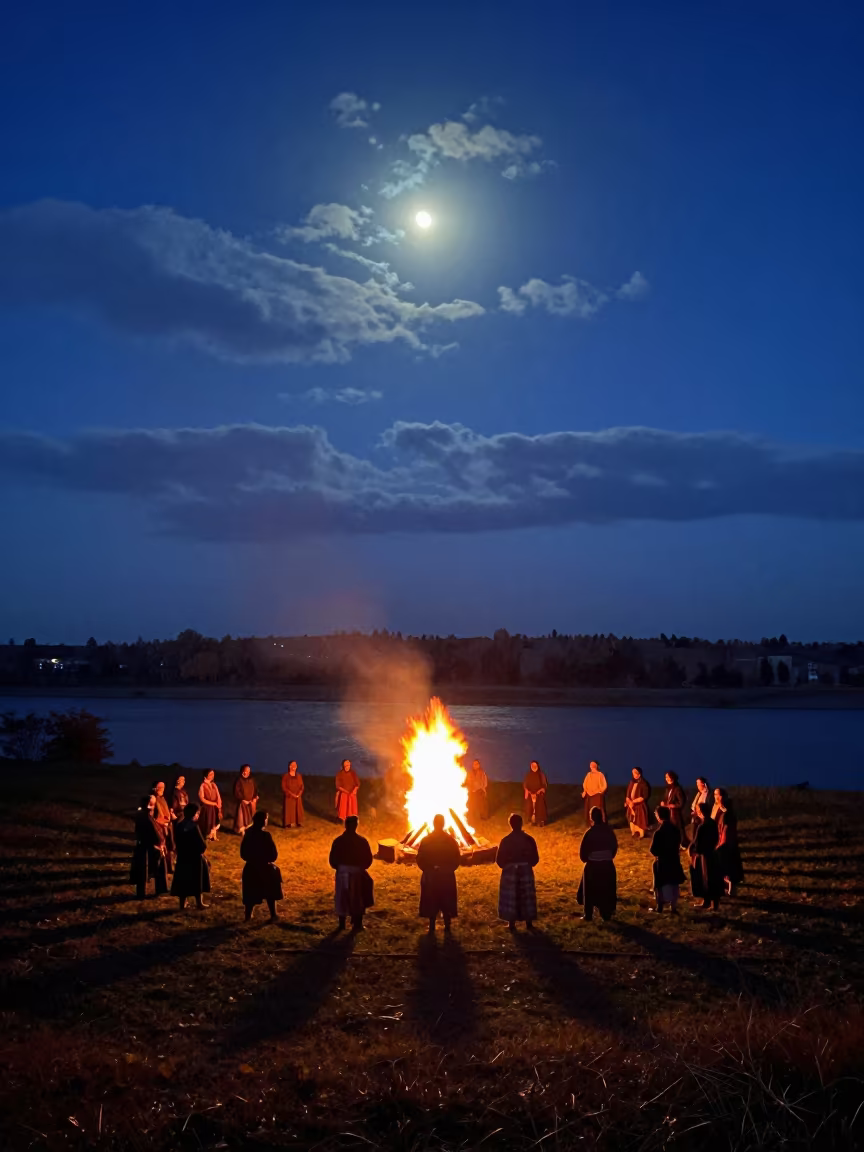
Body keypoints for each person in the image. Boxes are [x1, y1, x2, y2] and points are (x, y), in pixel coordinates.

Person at [416, 813, 462, 932]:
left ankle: (432, 926)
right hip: (446, 876)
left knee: (432, 899)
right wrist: (448, 869)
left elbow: (420, 858)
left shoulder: (426, 840)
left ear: (433, 824)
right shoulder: (451, 840)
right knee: (446, 899)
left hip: (431, 876)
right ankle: (447, 926)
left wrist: (429, 869)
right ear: (443, 824)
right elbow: (457, 858)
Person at [329, 815, 374, 931]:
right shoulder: (361, 841)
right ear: (356, 826)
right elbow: (368, 859)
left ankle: (342, 924)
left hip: (342, 872)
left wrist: (340, 868)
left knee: (342, 897)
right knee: (357, 898)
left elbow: (332, 859)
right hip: (356, 872)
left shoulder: (338, 841)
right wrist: (360, 868)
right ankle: (357, 924)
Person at [496, 812, 539, 931]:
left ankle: (511, 923)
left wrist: (509, 866)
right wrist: (526, 865)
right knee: (526, 896)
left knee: (511, 896)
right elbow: (535, 859)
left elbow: (499, 860)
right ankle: (529, 923)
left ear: (510, 825)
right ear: (521, 824)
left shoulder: (505, 841)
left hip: (510, 872)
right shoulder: (529, 840)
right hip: (525, 870)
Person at [240, 810, 283, 921]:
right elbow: (273, 854)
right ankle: (273, 914)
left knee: (250, 893)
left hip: (250, 867)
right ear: (263, 821)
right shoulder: (265, 835)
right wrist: (266, 860)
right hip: (264, 868)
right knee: (270, 890)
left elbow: (243, 852)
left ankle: (248, 915)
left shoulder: (248, 833)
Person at [577, 807, 618, 921]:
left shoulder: (590, 833)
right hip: (607, 865)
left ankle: (588, 914)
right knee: (607, 890)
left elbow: (583, 852)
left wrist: (588, 859)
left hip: (593, 866)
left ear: (591, 818)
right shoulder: (609, 832)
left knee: (589, 891)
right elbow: (614, 847)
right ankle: (606, 913)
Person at [171, 802, 210, 911]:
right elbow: (201, 844)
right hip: (194, 858)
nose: (198, 815)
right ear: (195, 814)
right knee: (197, 880)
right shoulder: (194, 827)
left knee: (183, 880)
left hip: (183, 857)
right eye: (198, 813)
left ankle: (182, 904)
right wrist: (201, 851)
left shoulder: (179, 825)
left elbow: (177, 840)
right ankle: (199, 903)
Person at [130, 796, 168, 899]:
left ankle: (141, 893)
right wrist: (161, 843)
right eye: (153, 804)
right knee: (154, 869)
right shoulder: (146, 816)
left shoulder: (141, 813)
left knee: (142, 871)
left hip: (142, 845)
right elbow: (155, 832)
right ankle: (159, 889)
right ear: (149, 804)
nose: (154, 806)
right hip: (150, 847)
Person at [649, 806, 686, 914]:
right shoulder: (675, 830)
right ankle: (673, 907)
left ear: (659, 816)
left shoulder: (659, 832)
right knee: (674, 883)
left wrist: (658, 854)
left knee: (660, 884)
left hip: (663, 862)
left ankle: (659, 907)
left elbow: (653, 850)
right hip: (674, 859)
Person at [689, 801, 722, 911]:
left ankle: (709, 902)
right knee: (713, 878)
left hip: (704, 855)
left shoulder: (703, 826)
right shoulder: (712, 823)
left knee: (706, 878)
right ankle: (711, 903)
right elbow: (716, 838)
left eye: (698, 811)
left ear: (701, 812)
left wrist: (694, 852)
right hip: (712, 853)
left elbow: (697, 842)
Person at [713, 788, 744, 896]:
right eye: (715, 794)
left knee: (730, 866)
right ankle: (728, 889)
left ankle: (731, 890)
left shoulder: (728, 811)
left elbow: (727, 827)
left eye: (718, 795)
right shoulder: (719, 809)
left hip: (727, 842)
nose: (716, 797)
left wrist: (722, 843)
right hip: (722, 840)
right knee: (724, 866)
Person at [149, 781, 175, 872]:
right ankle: (160, 868)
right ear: (155, 788)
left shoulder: (162, 798)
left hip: (167, 825)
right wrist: (161, 823)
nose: (161, 789)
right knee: (161, 847)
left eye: (163, 787)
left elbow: (166, 812)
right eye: (159, 787)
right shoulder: (153, 799)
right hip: (159, 826)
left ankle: (169, 866)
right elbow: (153, 816)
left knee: (169, 846)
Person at [660, 771, 689, 848]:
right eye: (665, 777)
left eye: (667, 777)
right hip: (669, 812)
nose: (666, 778)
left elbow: (681, 802)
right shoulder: (668, 788)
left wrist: (670, 805)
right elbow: (667, 798)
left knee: (678, 828)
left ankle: (683, 843)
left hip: (675, 813)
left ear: (672, 777)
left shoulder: (677, 788)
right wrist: (664, 803)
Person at [625, 767, 651, 839]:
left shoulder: (644, 783)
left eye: (635, 773)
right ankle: (634, 833)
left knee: (640, 819)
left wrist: (634, 801)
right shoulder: (631, 782)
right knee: (632, 819)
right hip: (631, 804)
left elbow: (645, 796)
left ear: (639, 774)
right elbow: (628, 792)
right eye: (632, 773)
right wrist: (628, 801)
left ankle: (641, 834)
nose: (633, 774)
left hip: (639, 804)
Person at [233, 764, 258, 836]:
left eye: (248, 770)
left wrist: (255, 797)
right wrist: (242, 799)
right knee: (242, 816)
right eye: (246, 770)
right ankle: (242, 830)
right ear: (242, 771)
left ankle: (250, 829)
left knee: (251, 815)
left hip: (251, 801)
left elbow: (255, 789)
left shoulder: (251, 780)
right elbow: (236, 791)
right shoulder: (239, 780)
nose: (247, 772)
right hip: (243, 802)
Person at [198, 770, 222, 841]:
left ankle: (213, 835)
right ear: (206, 775)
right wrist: (212, 803)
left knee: (215, 821)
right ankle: (207, 835)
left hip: (215, 807)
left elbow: (218, 796)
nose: (212, 776)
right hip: (207, 807)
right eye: (210, 774)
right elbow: (202, 798)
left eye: (213, 774)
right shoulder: (202, 785)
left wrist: (219, 805)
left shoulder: (214, 785)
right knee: (208, 821)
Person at [582, 761, 608, 826]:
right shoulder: (589, 774)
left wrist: (599, 791)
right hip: (589, 795)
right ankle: (591, 823)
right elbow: (585, 784)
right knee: (590, 809)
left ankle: (601, 823)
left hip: (597, 795)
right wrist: (585, 791)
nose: (592, 766)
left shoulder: (600, 774)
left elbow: (604, 785)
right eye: (591, 764)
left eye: (593, 764)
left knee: (598, 809)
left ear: (596, 766)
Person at [523, 761, 548, 827]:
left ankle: (540, 821)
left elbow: (544, 784)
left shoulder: (541, 774)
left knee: (540, 807)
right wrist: (529, 792)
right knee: (530, 807)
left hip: (539, 793)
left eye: (535, 765)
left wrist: (539, 791)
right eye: (532, 766)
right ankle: (531, 821)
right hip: (530, 794)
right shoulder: (528, 775)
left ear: (537, 766)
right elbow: (525, 784)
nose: (534, 767)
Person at [281, 760, 305, 828]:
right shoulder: (286, 776)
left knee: (298, 809)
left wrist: (299, 794)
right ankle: (288, 823)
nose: (294, 766)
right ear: (289, 766)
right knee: (289, 810)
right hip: (289, 796)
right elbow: (284, 786)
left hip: (297, 796)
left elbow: (302, 786)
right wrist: (291, 794)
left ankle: (298, 822)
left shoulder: (299, 776)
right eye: (293, 765)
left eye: (295, 765)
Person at [466, 758, 489, 824]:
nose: (476, 765)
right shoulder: (470, 773)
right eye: (474, 764)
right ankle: (471, 818)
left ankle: (483, 818)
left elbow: (485, 782)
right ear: (473, 765)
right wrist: (470, 789)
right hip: (472, 791)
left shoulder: (482, 772)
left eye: (477, 764)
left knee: (482, 805)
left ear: (479, 765)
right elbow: (468, 781)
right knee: (471, 805)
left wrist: (481, 788)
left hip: (480, 791)